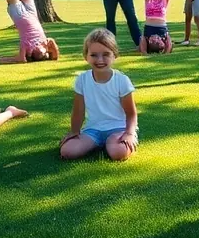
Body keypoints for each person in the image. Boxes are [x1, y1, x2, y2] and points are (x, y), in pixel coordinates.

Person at [59, 29, 139, 160]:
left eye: (106, 54)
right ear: (86, 56)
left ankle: (111, 143)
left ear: (114, 55)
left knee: (118, 152)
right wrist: (74, 131)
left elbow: (131, 113)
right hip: (93, 131)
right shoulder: (82, 80)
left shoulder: (122, 80)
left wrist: (129, 133)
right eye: (94, 55)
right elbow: (78, 111)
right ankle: (98, 143)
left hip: (118, 129)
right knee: (67, 151)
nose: (100, 60)